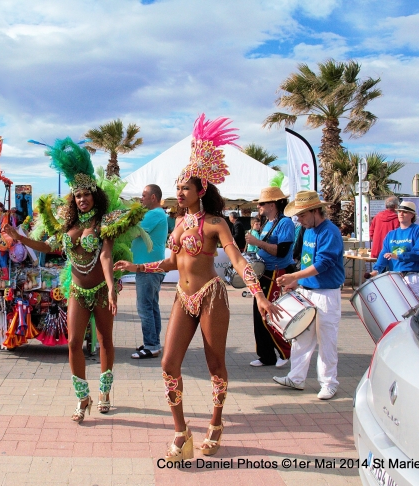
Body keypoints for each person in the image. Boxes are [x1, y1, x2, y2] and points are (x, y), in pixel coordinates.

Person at [115, 115, 280, 461]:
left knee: (215, 364)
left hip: (211, 298)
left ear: (200, 191)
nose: (179, 192)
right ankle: (181, 432)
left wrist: (260, 295)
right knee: (168, 364)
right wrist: (134, 267)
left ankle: (216, 423)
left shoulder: (217, 223)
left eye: (185, 188)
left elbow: (236, 260)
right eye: (177, 187)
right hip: (182, 298)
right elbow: (171, 264)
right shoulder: (177, 223)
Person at [4, 137, 145, 423]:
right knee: (73, 343)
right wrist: (19, 237)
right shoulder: (68, 225)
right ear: (73, 198)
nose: (82, 199)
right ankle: (83, 398)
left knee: (105, 340)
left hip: (101, 291)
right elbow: (49, 247)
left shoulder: (105, 222)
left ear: (95, 195)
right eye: (77, 195)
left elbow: (105, 256)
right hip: (77, 291)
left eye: (86, 194)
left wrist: (111, 287)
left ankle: (105, 392)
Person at [274, 190, 345, 401]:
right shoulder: (309, 231)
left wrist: (294, 276)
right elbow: (307, 262)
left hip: (326, 294)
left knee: (327, 341)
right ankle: (296, 377)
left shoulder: (329, 232)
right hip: (308, 291)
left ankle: (329, 383)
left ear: (315, 211)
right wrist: (297, 282)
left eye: (303, 215)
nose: (299, 219)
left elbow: (323, 264)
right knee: (301, 337)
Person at [244, 187, 295, 368]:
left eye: (262, 203)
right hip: (264, 272)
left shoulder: (285, 223)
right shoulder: (268, 222)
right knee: (259, 315)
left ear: (272, 204)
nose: (259, 206)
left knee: (269, 314)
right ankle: (266, 355)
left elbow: (282, 251)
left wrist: (257, 243)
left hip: (275, 273)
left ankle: (285, 351)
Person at [132, 184, 168, 359]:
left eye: (144, 195)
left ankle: (151, 345)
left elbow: (135, 231)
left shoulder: (154, 214)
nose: (141, 198)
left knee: (145, 307)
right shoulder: (158, 214)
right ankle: (153, 342)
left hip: (148, 268)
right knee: (152, 307)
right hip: (152, 267)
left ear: (153, 197)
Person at [369, 201, 419, 299]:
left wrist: (398, 256)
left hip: (412, 277)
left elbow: (418, 253)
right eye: (399, 211)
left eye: (404, 212)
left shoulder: (418, 230)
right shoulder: (391, 234)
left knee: (411, 310)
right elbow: (384, 254)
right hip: (395, 277)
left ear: (412, 215)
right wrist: (376, 270)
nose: (401, 214)